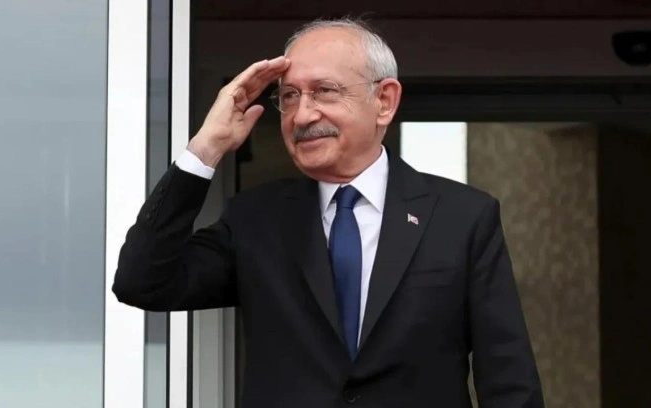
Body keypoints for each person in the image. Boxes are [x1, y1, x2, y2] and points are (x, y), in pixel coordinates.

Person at [113, 17, 544, 407]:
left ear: (385, 101)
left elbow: (509, 381)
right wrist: (206, 147)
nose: (302, 115)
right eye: (289, 96)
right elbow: (142, 282)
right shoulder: (257, 219)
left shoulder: (462, 218)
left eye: (325, 91)